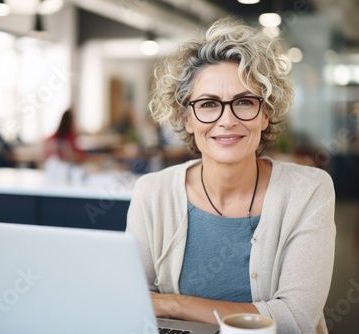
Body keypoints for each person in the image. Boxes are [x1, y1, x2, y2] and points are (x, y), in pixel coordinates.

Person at [126, 17, 336, 333]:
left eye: (244, 102)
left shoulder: (308, 190)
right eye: (209, 104)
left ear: (266, 114)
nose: (227, 120)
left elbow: (296, 320)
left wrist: (173, 303)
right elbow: (129, 299)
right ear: (187, 118)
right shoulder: (152, 191)